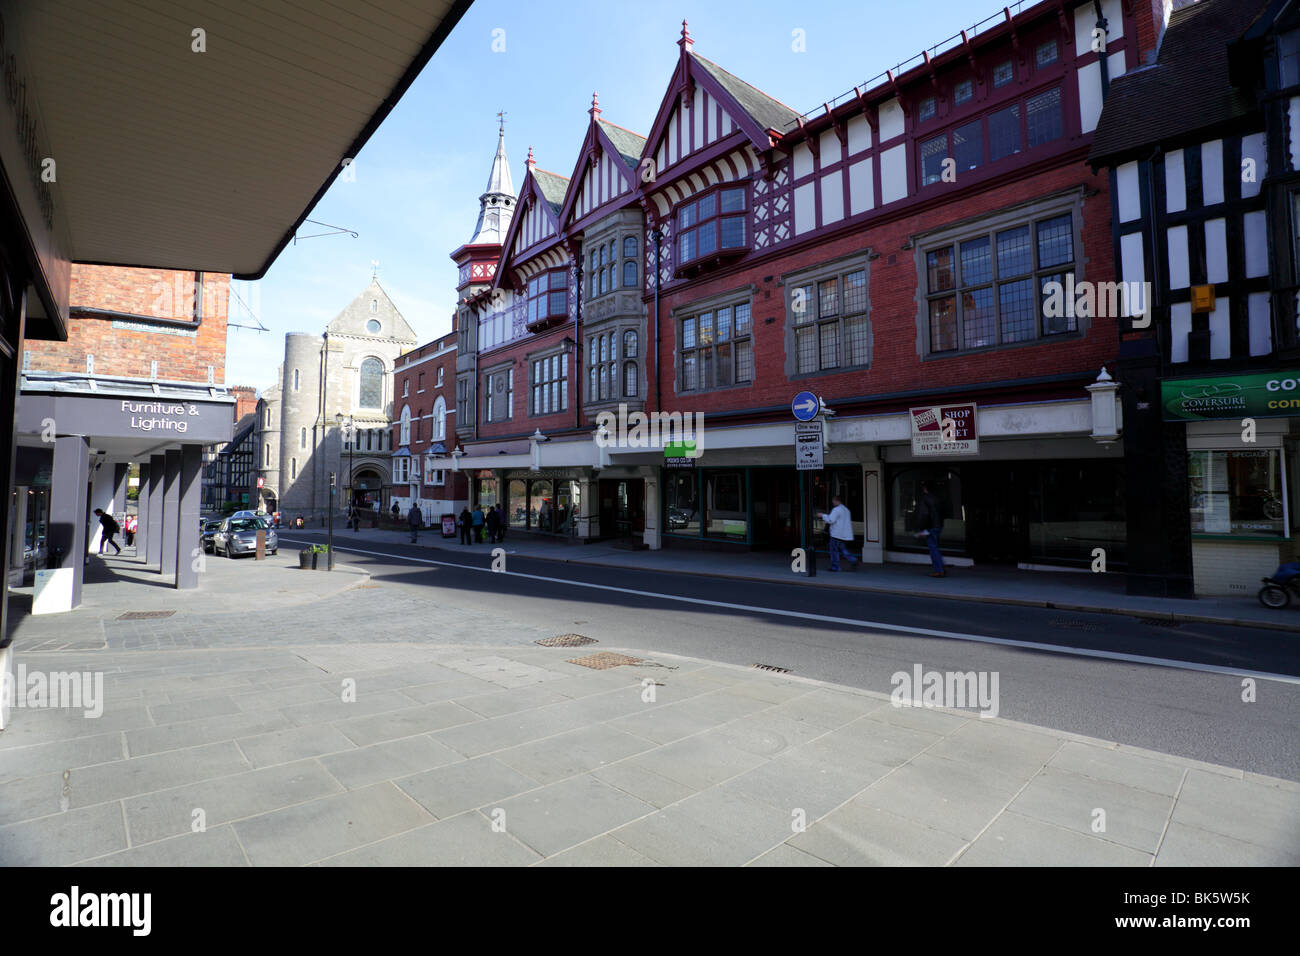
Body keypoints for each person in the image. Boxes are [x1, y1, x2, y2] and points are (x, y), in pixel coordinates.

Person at [817, 495, 858, 572]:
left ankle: (836, 567)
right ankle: (853, 559)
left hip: (836, 534)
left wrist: (822, 515)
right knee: (843, 549)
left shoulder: (836, 510)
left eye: (833, 501)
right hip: (843, 535)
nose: (833, 503)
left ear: (836, 501)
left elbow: (830, 520)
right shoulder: (846, 510)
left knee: (834, 551)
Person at [915, 481, 946, 578]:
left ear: (925, 489)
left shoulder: (925, 499)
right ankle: (941, 568)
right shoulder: (938, 498)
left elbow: (924, 515)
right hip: (938, 525)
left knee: (933, 549)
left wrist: (921, 528)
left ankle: (939, 570)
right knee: (935, 547)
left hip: (930, 526)